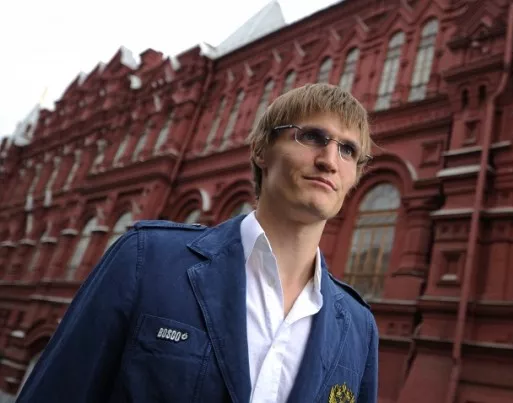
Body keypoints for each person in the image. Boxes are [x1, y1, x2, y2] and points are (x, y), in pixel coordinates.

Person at [17, 83, 378, 403]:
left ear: (355, 177)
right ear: (260, 150)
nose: (330, 160)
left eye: (348, 150)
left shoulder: (359, 328)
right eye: (312, 137)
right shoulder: (147, 261)